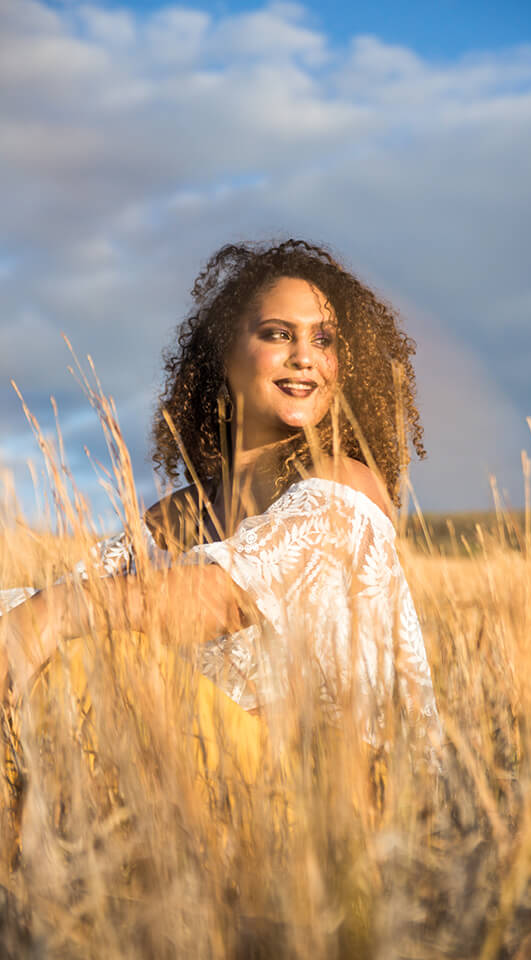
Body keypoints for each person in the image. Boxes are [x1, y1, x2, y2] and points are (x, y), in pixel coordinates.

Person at [1, 239, 439, 752]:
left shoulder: (344, 486)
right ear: (224, 354)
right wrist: (40, 616)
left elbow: (226, 600)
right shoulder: (177, 514)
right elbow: (60, 603)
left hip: (335, 798)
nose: (304, 357)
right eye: (279, 334)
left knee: (110, 653)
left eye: (324, 341)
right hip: (216, 780)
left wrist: (55, 613)